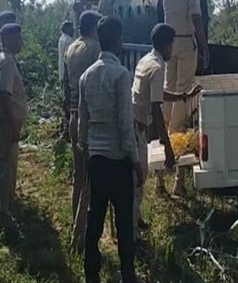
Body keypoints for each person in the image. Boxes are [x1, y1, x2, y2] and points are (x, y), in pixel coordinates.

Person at [79, 15, 143, 283]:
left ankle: (91, 272)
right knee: (124, 221)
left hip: (96, 156)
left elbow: (83, 123)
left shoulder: (87, 76)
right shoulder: (120, 74)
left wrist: (86, 154)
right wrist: (136, 160)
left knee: (95, 215)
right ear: (118, 41)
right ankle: (127, 273)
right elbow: (124, 124)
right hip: (118, 159)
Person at [131, 23, 202, 243]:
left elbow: (158, 94)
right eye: (171, 45)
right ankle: (133, 234)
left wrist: (182, 96)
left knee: (137, 178)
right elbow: (155, 108)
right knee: (139, 177)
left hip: (133, 121)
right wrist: (168, 149)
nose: (173, 49)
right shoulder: (159, 66)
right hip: (137, 126)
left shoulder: (147, 60)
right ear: (166, 46)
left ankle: (135, 219)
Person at [160, 0, 209, 196]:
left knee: (168, 95)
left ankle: (160, 173)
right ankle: (179, 177)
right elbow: (197, 19)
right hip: (186, 42)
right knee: (183, 97)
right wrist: (204, 48)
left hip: (168, 44)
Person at [64, 10, 101, 253]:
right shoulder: (95, 48)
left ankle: (74, 224)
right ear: (93, 27)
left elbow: (67, 85)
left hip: (73, 116)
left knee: (79, 177)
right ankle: (81, 237)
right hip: (87, 119)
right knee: (90, 181)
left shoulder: (71, 48)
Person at [0, 23, 28, 232]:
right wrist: (14, 124)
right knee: (5, 172)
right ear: (9, 38)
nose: (21, 41)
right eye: (18, 37)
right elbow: (5, 94)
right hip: (3, 125)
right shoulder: (7, 63)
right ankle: (5, 216)